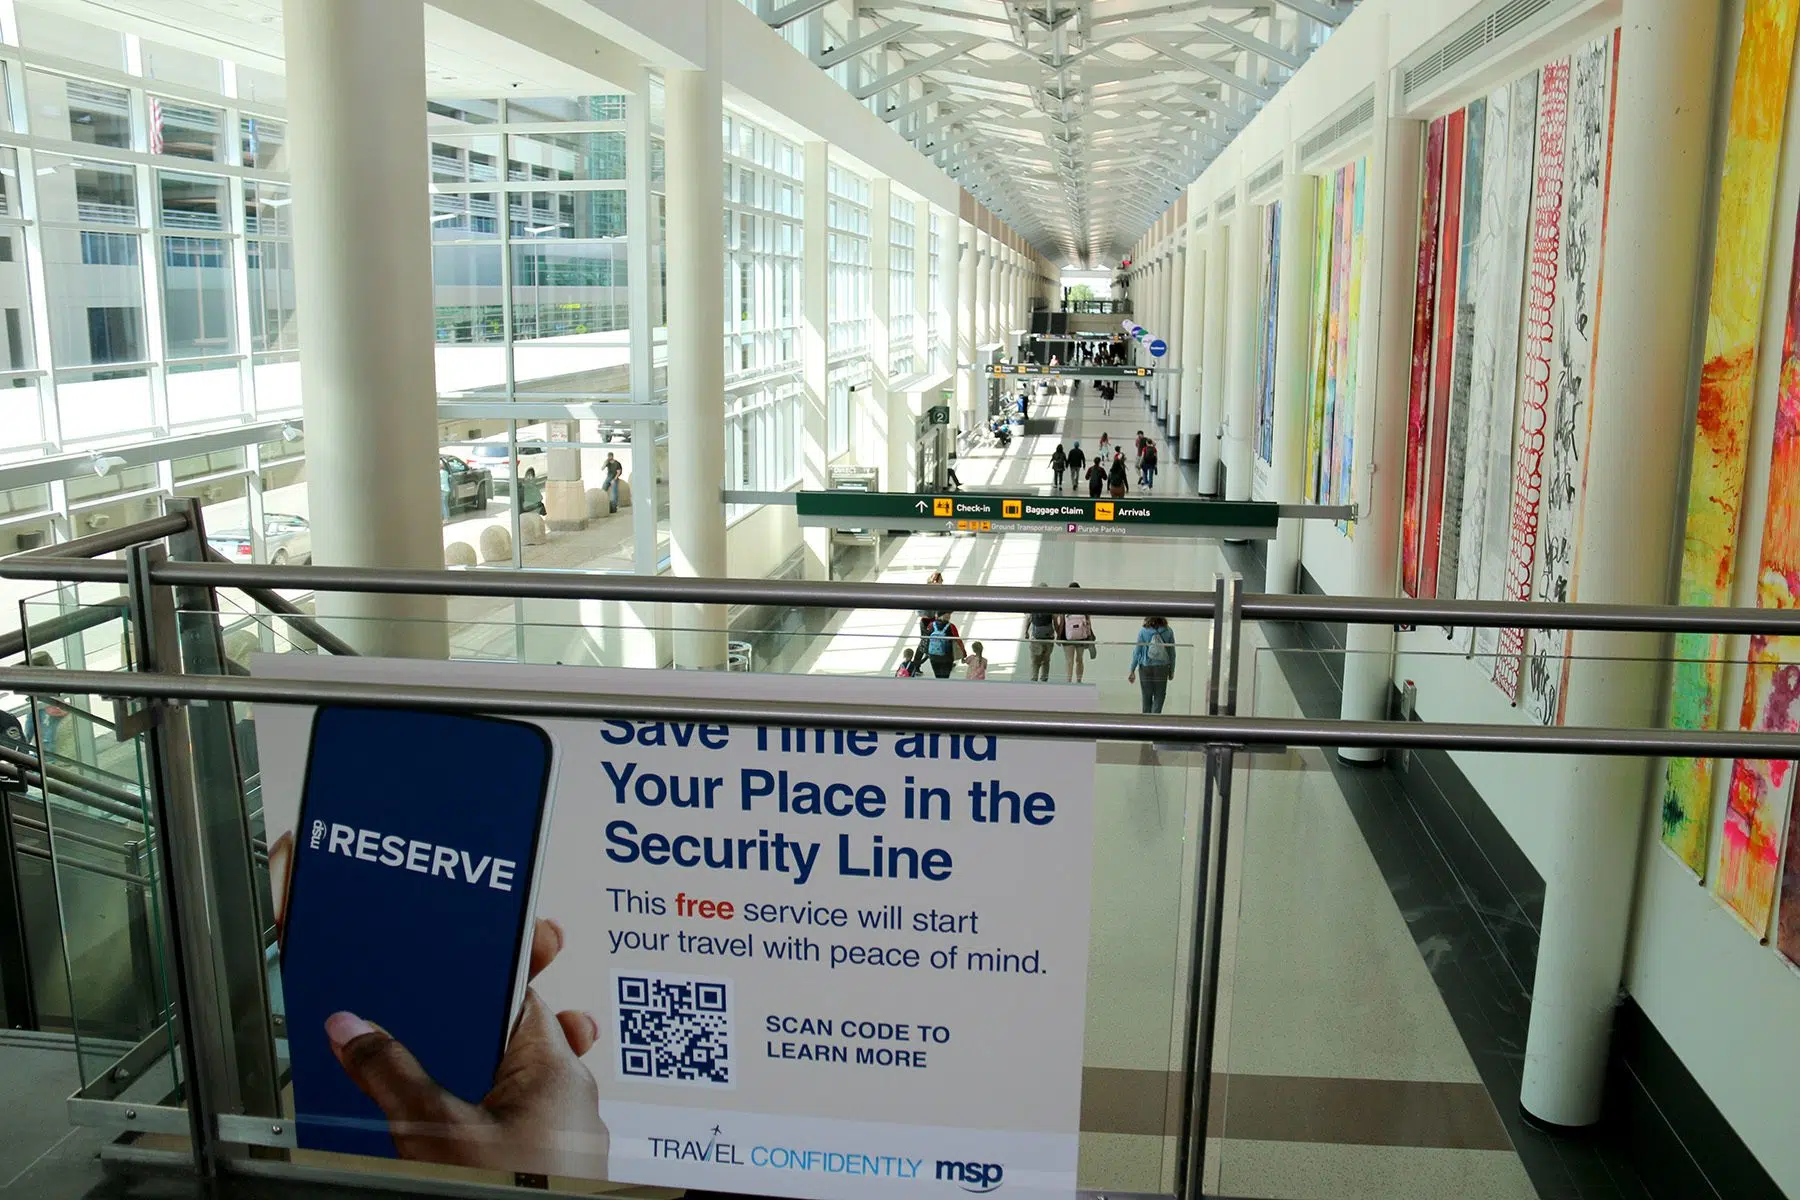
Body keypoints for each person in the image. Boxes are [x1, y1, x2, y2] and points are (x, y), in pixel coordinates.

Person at [1128, 615, 1177, 714]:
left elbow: (1137, 652)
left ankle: (1146, 724)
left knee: (1146, 697)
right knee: (1159, 696)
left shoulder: (1143, 631)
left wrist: (1132, 670)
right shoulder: (1168, 631)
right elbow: (1172, 653)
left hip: (1145, 667)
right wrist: (1171, 671)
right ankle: (1155, 722)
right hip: (1162, 668)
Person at [1059, 583, 1095, 684]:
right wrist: (1089, 634)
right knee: (1079, 659)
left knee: (1069, 661)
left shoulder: (1065, 603)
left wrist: (1058, 635)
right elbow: (1088, 620)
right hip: (1081, 636)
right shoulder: (1083, 603)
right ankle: (1079, 681)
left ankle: (1068, 682)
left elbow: (1062, 621)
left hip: (1067, 636)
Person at [918, 611, 965, 679]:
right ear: (945, 615)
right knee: (945, 677)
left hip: (933, 656)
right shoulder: (951, 626)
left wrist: (927, 653)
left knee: (938, 676)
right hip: (946, 656)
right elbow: (958, 641)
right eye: (949, 614)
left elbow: (926, 640)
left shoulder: (931, 625)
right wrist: (963, 654)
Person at [1024, 589, 1058, 682]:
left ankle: (1034, 680)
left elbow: (1029, 619)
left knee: (1035, 662)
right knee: (1046, 661)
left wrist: (1025, 632)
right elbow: (1055, 621)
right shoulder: (1051, 604)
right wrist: (1058, 634)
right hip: (1049, 638)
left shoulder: (1034, 604)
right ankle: (1044, 680)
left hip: (1036, 638)